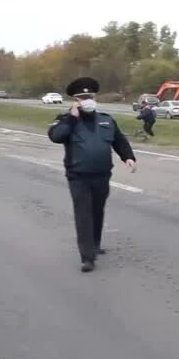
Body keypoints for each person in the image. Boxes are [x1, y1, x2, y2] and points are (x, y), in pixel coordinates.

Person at [48, 77, 137, 273]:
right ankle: (87, 257)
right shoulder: (66, 120)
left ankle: (95, 244)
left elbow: (119, 140)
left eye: (90, 96)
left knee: (98, 211)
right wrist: (72, 118)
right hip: (78, 176)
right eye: (82, 97)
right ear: (75, 100)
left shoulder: (106, 119)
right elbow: (56, 136)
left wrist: (128, 157)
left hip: (102, 175)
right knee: (83, 214)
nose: (87, 100)